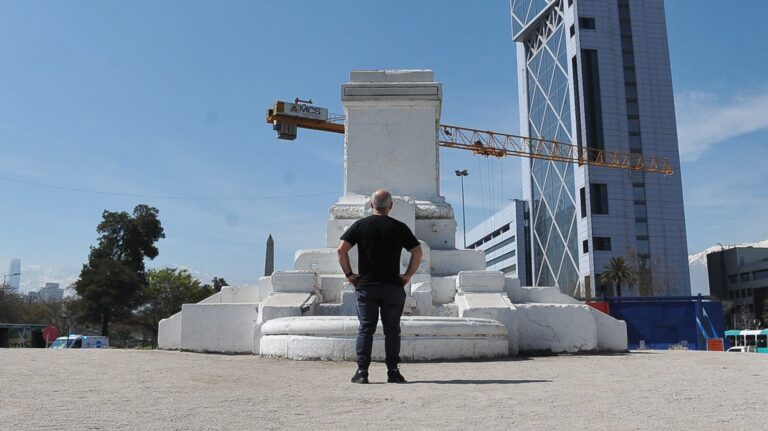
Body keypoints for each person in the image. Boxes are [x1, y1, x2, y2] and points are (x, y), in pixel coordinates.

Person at [337, 189, 422, 384]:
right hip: (393, 286)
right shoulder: (399, 227)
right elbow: (417, 251)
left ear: (371, 205)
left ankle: (362, 372)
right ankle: (393, 371)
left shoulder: (360, 225)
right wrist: (408, 275)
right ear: (390, 206)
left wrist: (350, 275)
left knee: (366, 329)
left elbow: (341, 250)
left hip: (367, 286)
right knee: (392, 330)